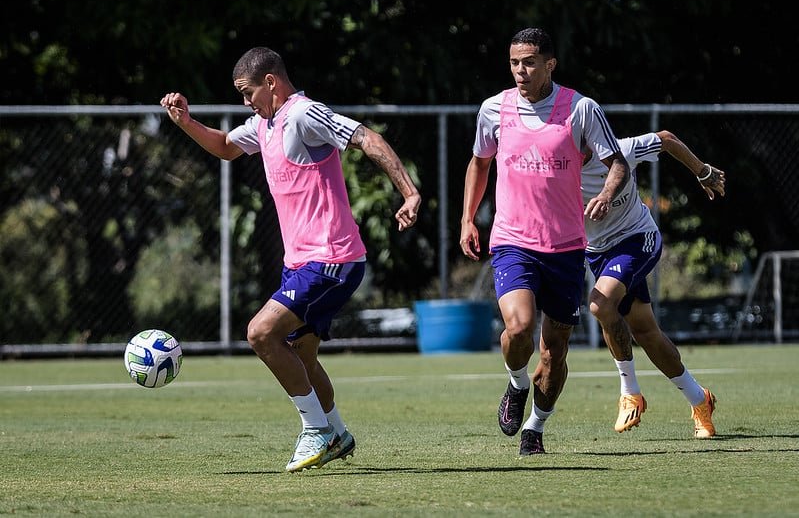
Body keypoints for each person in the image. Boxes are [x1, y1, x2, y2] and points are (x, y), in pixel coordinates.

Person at [160, 47, 421, 472]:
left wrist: (408, 192)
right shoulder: (264, 124)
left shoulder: (303, 114)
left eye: (248, 92)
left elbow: (368, 138)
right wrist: (186, 122)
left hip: (332, 258)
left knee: (261, 333)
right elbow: (225, 146)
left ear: (270, 82)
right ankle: (337, 432)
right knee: (301, 354)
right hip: (301, 263)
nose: (246, 102)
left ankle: (315, 430)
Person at [460, 27, 631, 456]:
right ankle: (517, 384)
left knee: (554, 352)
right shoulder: (494, 109)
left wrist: (605, 195)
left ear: (550, 64)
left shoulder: (581, 109)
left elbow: (617, 163)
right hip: (512, 241)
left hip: (566, 247)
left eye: (530, 62)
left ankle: (535, 428)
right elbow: (479, 164)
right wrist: (467, 219)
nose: (520, 70)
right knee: (518, 328)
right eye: (514, 62)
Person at [583, 130, 725, 438]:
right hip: (598, 253)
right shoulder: (556, 171)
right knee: (646, 332)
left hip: (638, 239)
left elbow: (667, 139)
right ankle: (700, 400)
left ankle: (630, 392)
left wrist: (702, 171)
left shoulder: (621, 151)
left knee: (601, 303)